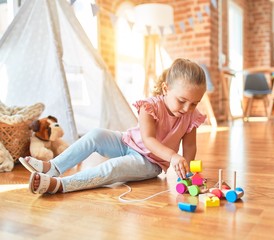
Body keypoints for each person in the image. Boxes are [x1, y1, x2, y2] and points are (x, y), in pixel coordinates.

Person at [19, 58, 207, 194]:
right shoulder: (150, 107)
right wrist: (174, 156)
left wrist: (187, 172)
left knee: (113, 167)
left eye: (194, 103)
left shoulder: (191, 117)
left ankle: (60, 185)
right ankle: (53, 166)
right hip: (127, 143)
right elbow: (148, 139)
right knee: (96, 134)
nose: (187, 108)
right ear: (166, 89)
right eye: (182, 100)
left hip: (151, 162)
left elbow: (190, 145)